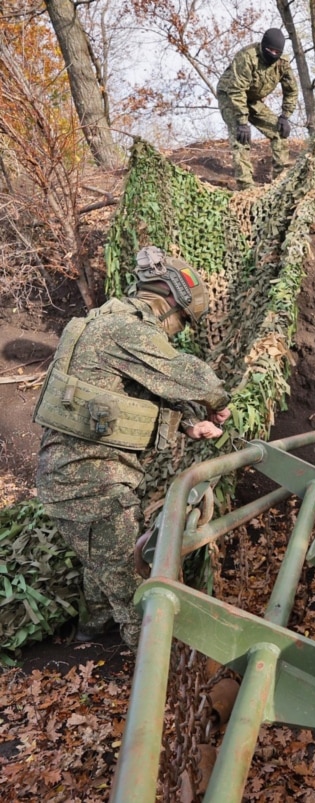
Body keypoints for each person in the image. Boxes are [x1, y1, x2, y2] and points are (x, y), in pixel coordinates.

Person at [33, 247, 232, 649]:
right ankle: (151, 677)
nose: (177, 330)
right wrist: (219, 401)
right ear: (168, 302)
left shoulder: (107, 323)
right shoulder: (128, 330)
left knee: (102, 564)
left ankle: (92, 637)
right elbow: (186, 375)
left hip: (82, 477)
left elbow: (132, 396)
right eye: (181, 321)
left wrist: (191, 424)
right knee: (138, 590)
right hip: (89, 482)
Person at [216, 27, 298, 190]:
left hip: (252, 98)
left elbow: (292, 90)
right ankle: (246, 186)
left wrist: (285, 116)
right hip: (230, 95)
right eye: (270, 50)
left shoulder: (283, 63)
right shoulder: (247, 57)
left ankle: (281, 181)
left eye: (277, 52)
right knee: (241, 136)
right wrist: (242, 122)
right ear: (263, 46)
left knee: (279, 130)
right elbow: (236, 90)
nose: (273, 54)